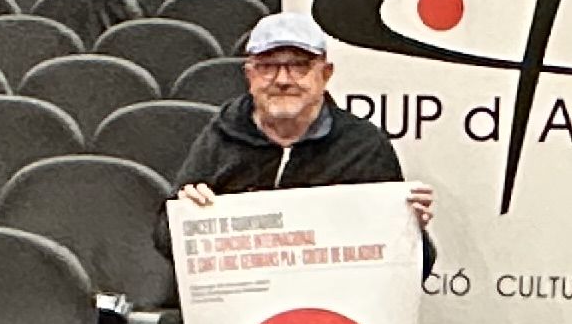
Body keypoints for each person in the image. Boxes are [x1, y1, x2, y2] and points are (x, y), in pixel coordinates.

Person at [173, 12, 438, 231]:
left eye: (299, 65)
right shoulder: (221, 136)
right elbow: (165, 237)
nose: (283, 80)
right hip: (243, 294)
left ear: (325, 74)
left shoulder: (363, 146)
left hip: (334, 294)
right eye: (268, 66)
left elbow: (415, 266)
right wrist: (185, 215)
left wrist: (409, 229)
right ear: (250, 75)